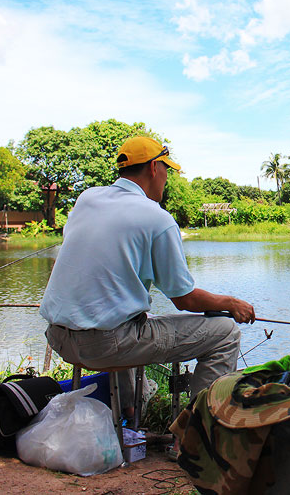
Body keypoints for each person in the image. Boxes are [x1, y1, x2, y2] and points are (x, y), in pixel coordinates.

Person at [41, 136, 255, 418]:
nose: (167, 178)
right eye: (167, 169)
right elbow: (185, 298)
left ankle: (130, 411)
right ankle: (195, 433)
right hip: (103, 347)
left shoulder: (87, 198)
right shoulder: (158, 218)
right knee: (225, 333)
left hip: (58, 338)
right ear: (154, 167)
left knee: (128, 318)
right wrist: (230, 302)